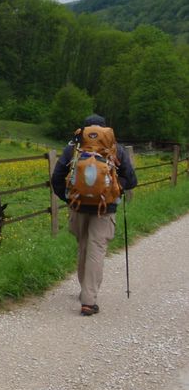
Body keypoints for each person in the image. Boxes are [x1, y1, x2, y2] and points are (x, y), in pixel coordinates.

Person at [50, 114, 137, 316]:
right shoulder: (115, 149)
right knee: (96, 251)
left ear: (84, 130)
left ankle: (85, 292)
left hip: (78, 206)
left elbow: (57, 177)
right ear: (105, 130)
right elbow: (131, 180)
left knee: (83, 247)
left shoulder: (73, 148)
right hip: (105, 209)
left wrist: (69, 198)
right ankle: (89, 300)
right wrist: (116, 189)